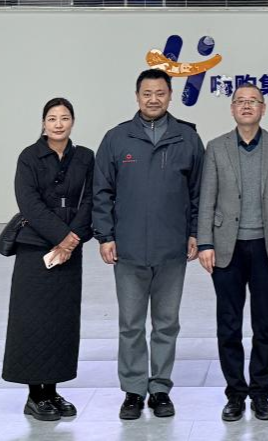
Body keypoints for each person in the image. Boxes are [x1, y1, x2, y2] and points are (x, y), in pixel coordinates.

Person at [93, 69, 204, 421]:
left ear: (170, 95)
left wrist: (195, 233)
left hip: (172, 249)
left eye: (160, 93)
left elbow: (199, 192)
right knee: (130, 323)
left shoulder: (187, 138)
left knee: (166, 322)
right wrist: (106, 236)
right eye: (147, 93)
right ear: (137, 96)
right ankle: (133, 390)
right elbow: (101, 192)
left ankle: (159, 389)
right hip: (128, 249)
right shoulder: (116, 139)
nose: (153, 99)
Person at [197, 83, 268, 422]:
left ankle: (260, 394)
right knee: (229, 324)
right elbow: (207, 200)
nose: (246, 106)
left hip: (265, 246)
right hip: (227, 248)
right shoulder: (216, 148)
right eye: (239, 101)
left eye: (252, 101)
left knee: (265, 324)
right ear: (232, 108)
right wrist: (206, 243)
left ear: (263, 108)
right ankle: (235, 394)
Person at [2, 97, 95, 421]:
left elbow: (91, 200)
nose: (58, 124)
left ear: (73, 122)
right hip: (34, 249)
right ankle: (34, 395)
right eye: (52, 118)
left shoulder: (85, 157)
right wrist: (61, 236)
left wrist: (73, 239)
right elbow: (28, 202)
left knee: (60, 322)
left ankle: (52, 391)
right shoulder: (29, 157)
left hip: (70, 250)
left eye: (64, 117)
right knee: (33, 322)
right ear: (43, 123)